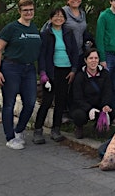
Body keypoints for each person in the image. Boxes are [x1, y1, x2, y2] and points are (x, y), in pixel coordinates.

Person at [0, 0, 42, 149]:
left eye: (31, 10)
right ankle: (10, 137)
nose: (28, 12)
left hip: (29, 69)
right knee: (9, 103)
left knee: (30, 102)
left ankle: (19, 130)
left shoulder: (34, 28)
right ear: (20, 11)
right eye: (25, 10)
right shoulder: (11, 28)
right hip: (11, 68)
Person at [33, 8, 78, 144]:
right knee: (47, 101)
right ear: (51, 18)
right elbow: (41, 55)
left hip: (66, 70)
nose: (59, 18)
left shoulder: (69, 33)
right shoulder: (46, 34)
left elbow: (75, 52)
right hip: (51, 71)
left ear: (64, 19)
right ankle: (38, 130)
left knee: (61, 101)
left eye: (61, 16)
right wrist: (42, 73)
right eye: (56, 16)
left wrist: (73, 70)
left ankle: (56, 129)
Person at [70, 49, 113, 139]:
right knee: (79, 115)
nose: (93, 60)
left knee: (112, 111)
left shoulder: (105, 74)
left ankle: (98, 126)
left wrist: (106, 105)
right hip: (83, 107)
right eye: (91, 58)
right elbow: (77, 98)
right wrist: (89, 109)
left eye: (96, 58)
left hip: (99, 105)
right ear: (86, 60)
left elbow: (108, 92)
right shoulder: (80, 76)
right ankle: (79, 127)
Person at [61, 0, 93, 69]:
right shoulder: (62, 12)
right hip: (66, 53)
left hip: (80, 53)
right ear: (68, 0)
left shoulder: (82, 13)